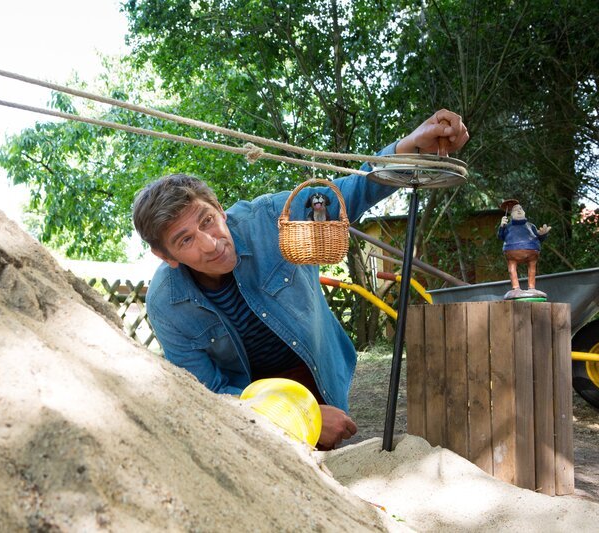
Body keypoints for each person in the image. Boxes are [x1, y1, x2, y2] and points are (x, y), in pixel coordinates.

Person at [133, 110, 470, 450]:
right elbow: (206, 391)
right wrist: (298, 415)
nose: (210, 244)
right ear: (167, 257)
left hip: (309, 366)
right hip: (245, 393)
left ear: (220, 210)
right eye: (185, 240)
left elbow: (350, 191)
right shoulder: (166, 304)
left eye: (207, 221)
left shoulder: (269, 218)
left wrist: (411, 145)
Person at [498, 202, 550, 299]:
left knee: (532, 267)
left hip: (531, 249)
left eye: (520, 209)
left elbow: (540, 237)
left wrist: (543, 234)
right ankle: (516, 287)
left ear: (524, 212)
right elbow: (500, 236)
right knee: (512, 267)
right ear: (511, 214)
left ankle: (532, 287)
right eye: (515, 210)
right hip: (512, 250)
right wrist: (502, 226)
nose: (518, 211)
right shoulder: (508, 226)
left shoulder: (531, 226)